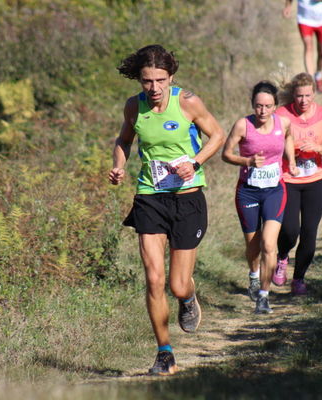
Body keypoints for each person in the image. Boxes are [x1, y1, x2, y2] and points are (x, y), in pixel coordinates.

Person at [108, 44, 225, 375]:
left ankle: (188, 297)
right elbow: (124, 140)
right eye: (147, 81)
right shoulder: (134, 106)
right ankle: (164, 353)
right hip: (150, 196)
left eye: (160, 80)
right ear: (140, 80)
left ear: (170, 77)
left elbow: (217, 135)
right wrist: (119, 165)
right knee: (153, 278)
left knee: (176, 284)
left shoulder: (186, 101)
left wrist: (195, 161)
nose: (154, 88)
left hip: (187, 197)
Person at [222, 81, 298, 314]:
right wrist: (247, 161)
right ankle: (254, 274)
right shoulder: (242, 126)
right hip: (248, 190)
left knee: (268, 244)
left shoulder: (283, 123)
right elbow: (226, 154)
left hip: (275, 189)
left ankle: (263, 296)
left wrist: (291, 162)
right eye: (258, 106)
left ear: (275, 106)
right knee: (253, 246)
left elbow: (288, 138)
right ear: (252, 105)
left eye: (267, 106)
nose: (263, 111)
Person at [272, 72, 322, 295]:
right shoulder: (282, 114)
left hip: (315, 180)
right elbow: (271, 144)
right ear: (293, 95)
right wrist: (292, 149)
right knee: (290, 230)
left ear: (314, 94)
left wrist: (316, 148)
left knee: (310, 233)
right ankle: (282, 256)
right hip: (288, 178)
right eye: (299, 96)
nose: (303, 101)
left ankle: (299, 278)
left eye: (308, 95)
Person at [283, 0, 322, 93]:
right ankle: (311, 81)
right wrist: (288, 6)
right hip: (304, 18)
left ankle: (319, 76)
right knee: (308, 47)